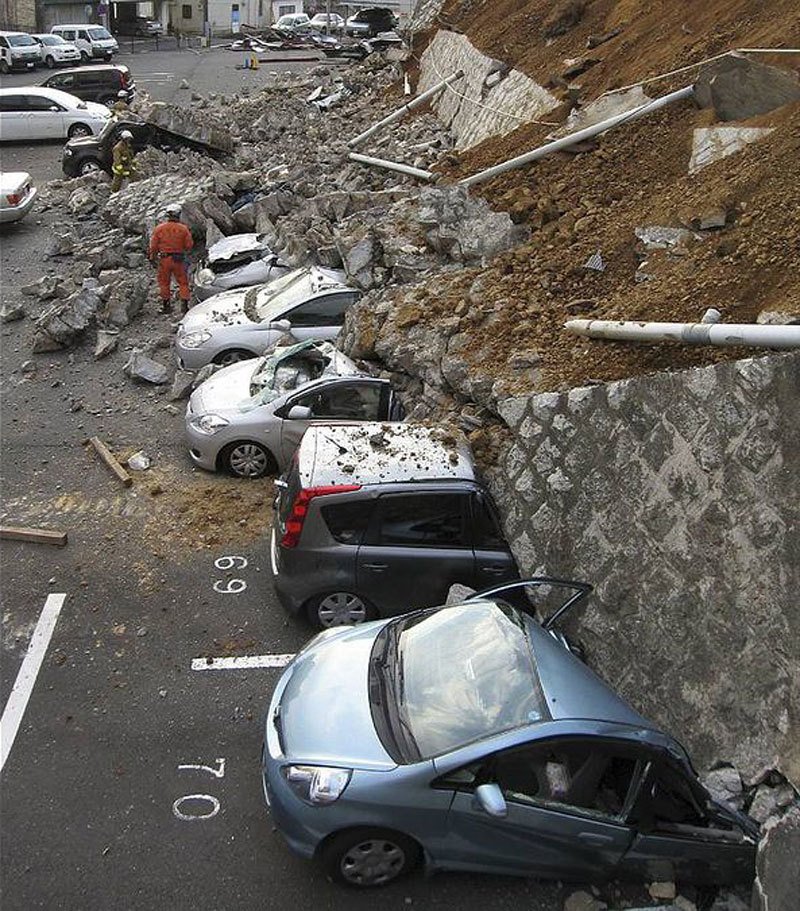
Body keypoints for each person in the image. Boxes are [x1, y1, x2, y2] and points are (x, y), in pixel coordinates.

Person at [148, 204, 194, 314]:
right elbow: (189, 245)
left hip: (164, 259)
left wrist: (152, 258)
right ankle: (184, 306)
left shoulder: (159, 229)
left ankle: (166, 307)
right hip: (179, 259)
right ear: (179, 215)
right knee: (183, 282)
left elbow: (153, 246)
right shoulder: (184, 229)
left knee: (164, 283)